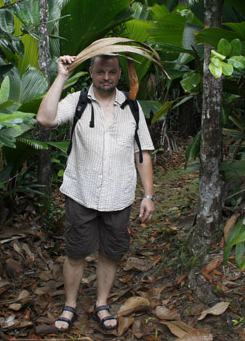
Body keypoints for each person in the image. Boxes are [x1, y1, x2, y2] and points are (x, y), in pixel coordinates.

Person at [36, 54, 155, 333]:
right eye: (101, 71)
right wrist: (62, 75)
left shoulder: (132, 108)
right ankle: (70, 305)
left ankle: (101, 304)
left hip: (119, 195)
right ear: (91, 72)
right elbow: (44, 118)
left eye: (112, 72)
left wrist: (148, 195)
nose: (106, 77)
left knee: (111, 254)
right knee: (76, 252)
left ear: (118, 75)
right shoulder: (77, 101)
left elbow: (142, 153)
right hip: (81, 192)